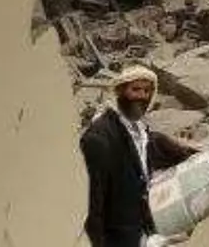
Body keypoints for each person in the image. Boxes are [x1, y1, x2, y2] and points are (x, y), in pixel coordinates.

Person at [81, 65, 196, 247]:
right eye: (135, 89)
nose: (142, 96)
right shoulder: (101, 138)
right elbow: (93, 208)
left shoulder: (142, 134)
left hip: (142, 234)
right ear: (120, 91)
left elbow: (156, 156)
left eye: (147, 91)